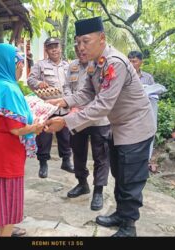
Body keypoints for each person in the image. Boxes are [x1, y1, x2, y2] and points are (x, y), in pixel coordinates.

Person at [44, 16, 156, 237]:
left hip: (136, 128)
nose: (80, 47)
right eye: (77, 42)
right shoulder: (96, 63)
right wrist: (62, 102)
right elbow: (86, 93)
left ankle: (129, 227)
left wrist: (65, 121)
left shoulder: (115, 62)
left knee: (130, 179)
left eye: (86, 41)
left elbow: (102, 104)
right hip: (119, 128)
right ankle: (120, 215)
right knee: (119, 173)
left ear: (102, 38)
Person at [0, 43, 44, 237]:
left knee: (1, 194)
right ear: (6, 63)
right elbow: (16, 129)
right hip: (6, 153)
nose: (19, 66)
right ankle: (5, 234)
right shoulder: (8, 88)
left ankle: (3, 231)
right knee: (10, 199)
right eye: (18, 62)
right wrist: (37, 127)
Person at [63, 43, 111, 211]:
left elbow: (104, 95)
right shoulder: (73, 66)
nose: (81, 50)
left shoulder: (102, 64)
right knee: (78, 152)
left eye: (84, 45)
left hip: (99, 118)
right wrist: (70, 105)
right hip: (77, 117)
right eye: (77, 47)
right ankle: (82, 183)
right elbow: (67, 87)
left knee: (101, 155)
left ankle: (98, 190)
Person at [27, 37, 74, 178]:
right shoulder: (40, 65)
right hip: (47, 107)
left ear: (60, 48)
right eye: (50, 47)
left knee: (66, 136)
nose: (54, 49)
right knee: (44, 137)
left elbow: (72, 85)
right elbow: (30, 80)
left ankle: (66, 161)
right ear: (46, 50)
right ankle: (43, 164)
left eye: (56, 46)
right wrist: (39, 83)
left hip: (64, 106)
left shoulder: (68, 66)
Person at [128, 51, 159, 173]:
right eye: (129, 60)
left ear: (141, 62)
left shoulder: (148, 77)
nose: (131, 63)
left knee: (145, 135)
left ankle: (144, 161)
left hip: (145, 112)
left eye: (134, 61)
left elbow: (154, 94)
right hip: (130, 112)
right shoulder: (125, 75)